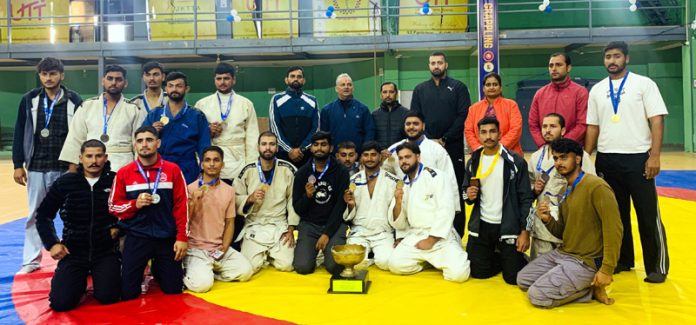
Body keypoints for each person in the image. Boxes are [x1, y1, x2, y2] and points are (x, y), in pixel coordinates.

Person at [585, 41, 669, 283]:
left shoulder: (644, 84)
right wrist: (585, 157)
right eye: (608, 57)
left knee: (647, 213)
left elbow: (657, 121)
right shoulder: (597, 90)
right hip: (607, 158)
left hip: (638, 156)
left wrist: (654, 155)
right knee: (615, 215)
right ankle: (623, 259)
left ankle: (657, 266)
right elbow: (593, 126)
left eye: (617, 56)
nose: (612, 61)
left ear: (627, 59)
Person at [517, 138, 623, 308]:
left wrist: (606, 270)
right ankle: (575, 284)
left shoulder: (596, 187)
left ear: (578, 159)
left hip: (586, 261)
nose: (559, 163)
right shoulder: (563, 189)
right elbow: (562, 232)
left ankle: (590, 289)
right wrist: (548, 219)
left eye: (564, 158)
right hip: (564, 253)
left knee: (537, 296)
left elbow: (614, 230)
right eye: (556, 158)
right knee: (522, 280)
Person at [12, 57, 83, 274]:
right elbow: (19, 131)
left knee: (70, 214)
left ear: (62, 75)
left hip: (64, 167)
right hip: (36, 166)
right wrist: (18, 164)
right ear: (40, 75)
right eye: (44, 74)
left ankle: (74, 256)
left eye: (53, 73)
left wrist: (75, 165)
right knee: (35, 213)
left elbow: (80, 133)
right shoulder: (30, 99)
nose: (48, 78)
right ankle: (31, 260)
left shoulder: (74, 100)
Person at [36, 140, 120, 311]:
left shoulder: (116, 181)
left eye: (98, 156)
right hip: (73, 251)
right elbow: (43, 215)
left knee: (109, 297)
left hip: (105, 251)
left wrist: (120, 227)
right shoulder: (65, 182)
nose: (94, 161)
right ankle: (76, 282)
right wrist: (52, 243)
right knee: (61, 303)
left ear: (106, 158)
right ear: (81, 158)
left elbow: (131, 210)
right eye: (89, 156)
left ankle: (100, 276)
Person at [108, 126, 188, 300]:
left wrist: (181, 237)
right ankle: (143, 268)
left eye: (149, 140)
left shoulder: (173, 170)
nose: (145, 144)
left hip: (166, 237)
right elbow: (113, 207)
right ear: (135, 145)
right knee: (128, 293)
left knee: (174, 289)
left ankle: (158, 269)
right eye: (140, 141)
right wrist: (134, 204)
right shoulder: (124, 173)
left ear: (158, 143)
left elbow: (182, 206)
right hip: (137, 237)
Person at [463, 116, 533, 285]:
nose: (488, 136)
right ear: (478, 135)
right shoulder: (473, 160)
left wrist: (525, 232)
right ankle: (499, 255)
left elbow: (526, 199)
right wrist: (469, 195)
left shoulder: (515, 162)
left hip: (509, 225)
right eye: (484, 132)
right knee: (478, 273)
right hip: (482, 225)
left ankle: (510, 258)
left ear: (500, 134)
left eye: (492, 131)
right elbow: (465, 193)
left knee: (513, 278)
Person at [387, 142, 470, 282]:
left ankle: (443, 257)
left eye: (408, 157)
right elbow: (399, 223)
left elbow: (446, 209)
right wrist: (398, 202)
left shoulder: (436, 176)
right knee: (395, 265)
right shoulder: (402, 184)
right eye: (400, 158)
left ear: (418, 157)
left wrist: (431, 240)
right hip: (416, 235)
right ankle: (426, 262)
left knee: (459, 274)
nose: (404, 161)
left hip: (440, 237)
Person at [410, 51, 470, 233]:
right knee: (427, 186)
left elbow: (463, 116)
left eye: (439, 62)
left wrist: (445, 139)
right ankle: (429, 229)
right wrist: (429, 140)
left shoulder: (458, 87)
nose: (436, 66)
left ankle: (456, 232)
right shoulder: (420, 89)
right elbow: (416, 117)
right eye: (433, 63)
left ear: (446, 65)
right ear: (429, 66)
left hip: (452, 147)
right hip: (426, 148)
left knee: (454, 187)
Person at [183, 146, 253, 293]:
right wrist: (193, 202)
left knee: (246, 271)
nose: (212, 164)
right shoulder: (190, 189)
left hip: (218, 248)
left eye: (216, 160)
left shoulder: (229, 191)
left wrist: (224, 248)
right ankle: (190, 273)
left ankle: (209, 272)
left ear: (222, 164)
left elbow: (229, 223)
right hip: (196, 249)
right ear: (202, 164)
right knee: (202, 286)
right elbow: (183, 222)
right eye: (207, 160)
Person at [527, 113, 595, 259]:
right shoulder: (535, 157)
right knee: (539, 272)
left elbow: (591, 185)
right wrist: (534, 189)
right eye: (544, 126)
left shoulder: (579, 155)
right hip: (543, 224)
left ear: (563, 130)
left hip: (569, 221)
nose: (547, 130)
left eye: (553, 126)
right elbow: (527, 188)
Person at [384, 111, 461, 234]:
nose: (411, 127)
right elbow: (384, 173)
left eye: (416, 123)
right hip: (405, 207)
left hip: (431, 207)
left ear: (423, 126)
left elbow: (449, 179)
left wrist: (453, 209)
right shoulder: (394, 149)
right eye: (408, 124)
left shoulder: (436, 149)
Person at [234, 131, 298, 274]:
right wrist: (249, 199)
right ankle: (262, 252)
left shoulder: (288, 169)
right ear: (258, 147)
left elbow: (293, 200)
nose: (267, 148)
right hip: (255, 224)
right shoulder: (247, 169)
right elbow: (236, 196)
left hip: (279, 225)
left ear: (277, 148)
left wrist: (291, 228)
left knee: (286, 265)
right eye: (264, 144)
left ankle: (269, 253)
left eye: (271, 144)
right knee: (250, 266)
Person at [60, 65, 145, 171]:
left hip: (123, 164)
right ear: (103, 81)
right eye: (110, 78)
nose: (114, 83)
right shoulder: (86, 106)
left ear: (125, 83)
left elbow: (138, 143)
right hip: (91, 163)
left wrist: (139, 170)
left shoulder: (133, 109)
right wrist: (73, 172)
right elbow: (75, 139)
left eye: (118, 79)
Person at [292, 131, 349, 276]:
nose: (319, 148)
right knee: (302, 267)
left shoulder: (341, 171)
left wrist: (326, 234)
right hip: (310, 225)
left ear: (330, 148)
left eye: (323, 145)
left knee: (335, 267)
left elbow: (340, 206)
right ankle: (315, 250)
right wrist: (308, 196)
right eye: (315, 145)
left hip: (334, 225)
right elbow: (298, 208)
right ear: (311, 148)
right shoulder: (302, 173)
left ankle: (326, 250)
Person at [194, 62, 259, 182]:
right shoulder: (202, 104)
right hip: (212, 157)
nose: (222, 82)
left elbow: (252, 137)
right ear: (214, 80)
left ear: (233, 80)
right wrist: (208, 131)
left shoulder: (246, 104)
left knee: (236, 195)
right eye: (219, 78)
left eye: (226, 78)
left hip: (238, 158)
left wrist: (251, 164)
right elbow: (194, 134)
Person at [142, 71, 211, 184]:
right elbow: (141, 140)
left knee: (186, 200)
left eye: (179, 86)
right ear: (166, 89)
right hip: (159, 165)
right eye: (171, 86)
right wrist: (151, 131)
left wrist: (204, 171)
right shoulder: (155, 114)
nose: (174, 89)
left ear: (186, 89)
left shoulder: (197, 115)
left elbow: (204, 147)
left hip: (187, 167)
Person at [343, 141, 399, 270]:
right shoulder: (353, 180)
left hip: (383, 233)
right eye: (366, 155)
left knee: (385, 263)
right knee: (354, 262)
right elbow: (347, 215)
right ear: (361, 158)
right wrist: (350, 204)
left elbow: (396, 211)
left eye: (373, 155)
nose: (369, 158)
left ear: (380, 157)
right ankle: (367, 256)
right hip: (359, 231)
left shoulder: (393, 181)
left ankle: (372, 257)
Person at [528, 53, 588, 147]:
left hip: (571, 150)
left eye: (559, 65)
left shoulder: (580, 92)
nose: (554, 68)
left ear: (568, 68)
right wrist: (543, 145)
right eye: (551, 65)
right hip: (545, 149)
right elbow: (533, 124)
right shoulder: (540, 94)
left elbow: (582, 125)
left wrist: (562, 145)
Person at [269, 66, 319, 168]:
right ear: (286, 80)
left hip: (306, 155)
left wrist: (302, 149)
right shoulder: (276, 99)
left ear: (303, 81)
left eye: (299, 76)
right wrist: (289, 150)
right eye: (292, 76)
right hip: (283, 154)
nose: (296, 79)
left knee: (307, 184)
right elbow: (274, 128)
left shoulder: (312, 100)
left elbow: (316, 128)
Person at [464, 72, 523, 155]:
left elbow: (516, 129)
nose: (491, 87)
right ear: (483, 88)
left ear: (500, 88)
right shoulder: (473, 109)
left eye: (495, 84)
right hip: (481, 154)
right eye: (488, 85)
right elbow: (469, 131)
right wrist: (478, 148)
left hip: (509, 153)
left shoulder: (511, 105)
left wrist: (499, 148)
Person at [319, 73, 375, 151]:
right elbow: (323, 135)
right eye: (342, 85)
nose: (346, 87)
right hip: (335, 156)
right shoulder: (327, 110)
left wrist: (365, 151)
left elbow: (369, 132)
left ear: (353, 88)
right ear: (336, 88)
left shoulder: (363, 109)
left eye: (349, 84)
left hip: (357, 155)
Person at [372, 82, 408, 154]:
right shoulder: (374, 114)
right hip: (380, 157)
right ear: (381, 95)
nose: (388, 95)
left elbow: (409, 137)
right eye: (385, 92)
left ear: (396, 94)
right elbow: (372, 137)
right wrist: (379, 151)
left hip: (400, 155)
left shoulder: (406, 113)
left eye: (391, 92)